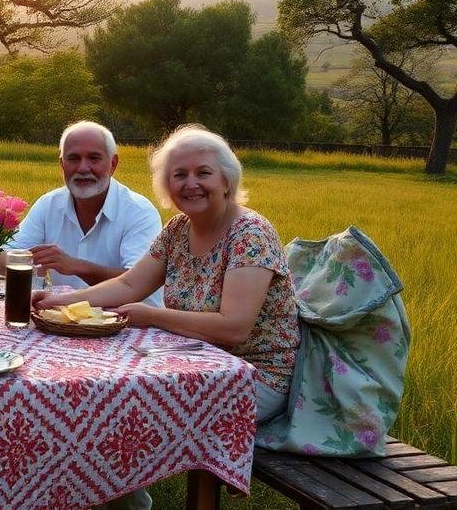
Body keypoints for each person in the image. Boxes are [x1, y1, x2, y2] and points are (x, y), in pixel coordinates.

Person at [35, 124, 300, 422]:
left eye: (203, 173)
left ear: (227, 180)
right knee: (108, 395)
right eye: (179, 175)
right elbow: (129, 283)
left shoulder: (250, 234)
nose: (191, 184)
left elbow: (234, 327)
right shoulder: (177, 229)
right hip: (199, 362)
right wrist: (63, 303)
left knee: (133, 412)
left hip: (252, 376)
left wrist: (152, 316)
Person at [1, 121, 163, 305]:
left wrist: (75, 266)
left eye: (94, 158)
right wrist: (25, 262)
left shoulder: (139, 212)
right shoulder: (48, 205)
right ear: (62, 164)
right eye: (73, 158)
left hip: (131, 327)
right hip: (64, 321)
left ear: (113, 164)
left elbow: (140, 283)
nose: (83, 168)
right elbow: (2, 258)